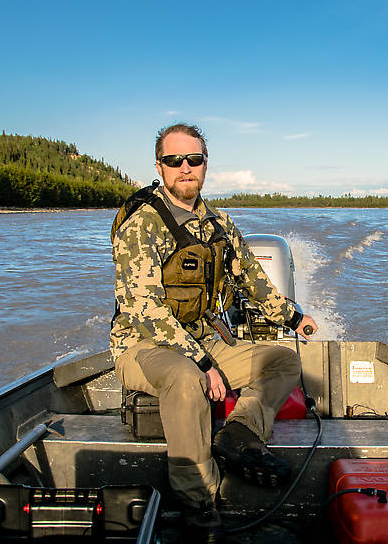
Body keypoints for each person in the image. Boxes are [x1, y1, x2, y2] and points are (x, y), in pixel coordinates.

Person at [110, 123, 317, 541]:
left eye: (194, 159)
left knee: (281, 360)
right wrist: (203, 363)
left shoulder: (218, 223)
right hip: (143, 345)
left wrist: (292, 318)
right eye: (174, 160)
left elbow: (252, 281)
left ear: (205, 165)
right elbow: (143, 308)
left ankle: (240, 433)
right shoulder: (142, 224)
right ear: (160, 167)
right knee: (187, 379)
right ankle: (197, 500)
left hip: (202, 337)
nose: (185, 168)